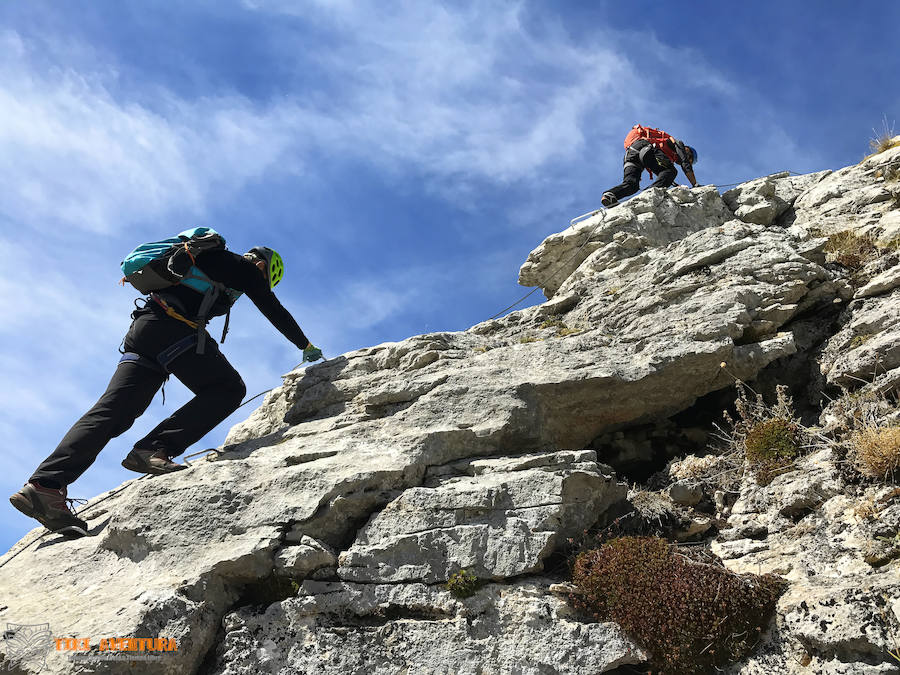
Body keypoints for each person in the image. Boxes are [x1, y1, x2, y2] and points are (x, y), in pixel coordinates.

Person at [10, 243, 323, 536]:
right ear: (262, 265)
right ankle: (154, 449)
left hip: (145, 329)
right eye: (265, 277)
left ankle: (45, 486)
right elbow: (273, 308)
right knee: (228, 388)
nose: (256, 285)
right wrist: (305, 344)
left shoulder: (203, 259)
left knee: (112, 411)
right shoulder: (241, 267)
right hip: (174, 329)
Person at [601, 124, 699, 207]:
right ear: (687, 151)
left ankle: (610, 195)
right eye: (690, 159)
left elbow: (663, 175)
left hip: (631, 153)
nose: (688, 162)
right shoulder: (678, 144)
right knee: (671, 171)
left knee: (632, 185)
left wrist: (674, 184)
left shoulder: (666, 153)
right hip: (645, 146)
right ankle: (648, 194)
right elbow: (684, 163)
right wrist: (695, 184)